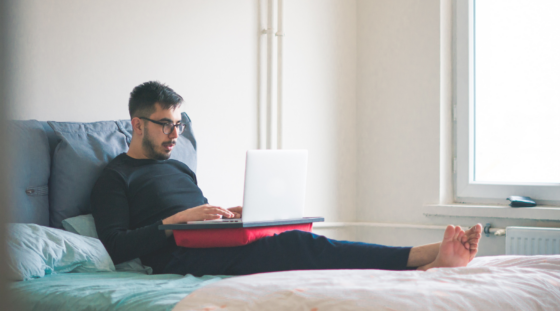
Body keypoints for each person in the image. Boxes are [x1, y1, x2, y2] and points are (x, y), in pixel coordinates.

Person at [91, 81, 482, 276]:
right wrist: (173, 223)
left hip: (206, 240)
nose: (175, 134)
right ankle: (419, 260)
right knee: (299, 245)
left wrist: (225, 214)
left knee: (285, 236)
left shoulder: (177, 166)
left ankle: (424, 258)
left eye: (178, 125)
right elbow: (116, 245)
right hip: (175, 255)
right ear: (137, 124)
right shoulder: (115, 177)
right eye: (165, 125)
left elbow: (191, 213)